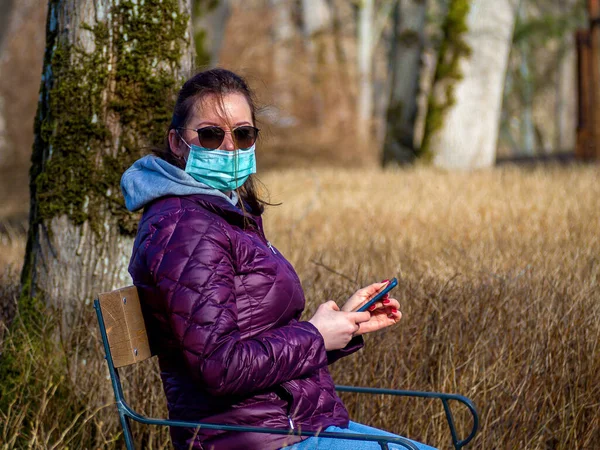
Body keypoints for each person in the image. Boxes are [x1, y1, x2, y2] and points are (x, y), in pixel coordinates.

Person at [121, 68, 436, 450]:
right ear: (177, 142)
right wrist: (316, 335)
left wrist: (340, 328)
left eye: (242, 133)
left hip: (294, 424)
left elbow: (256, 340)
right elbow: (220, 366)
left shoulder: (225, 215)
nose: (229, 147)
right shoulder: (186, 228)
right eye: (210, 134)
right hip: (251, 440)